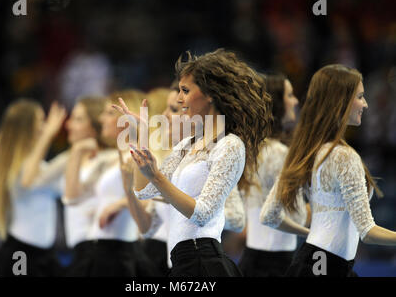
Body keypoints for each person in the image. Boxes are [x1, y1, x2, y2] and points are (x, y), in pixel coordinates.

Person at [114, 49, 272, 277]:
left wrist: (156, 176)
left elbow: (203, 213)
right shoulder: (187, 145)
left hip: (203, 261)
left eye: (185, 91)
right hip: (182, 261)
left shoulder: (230, 145)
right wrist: (142, 135)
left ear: (210, 93)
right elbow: (144, 191)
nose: (179, 98)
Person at [260, 64, 396, 277]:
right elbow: (367, 231)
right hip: (325, 265)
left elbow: (269, 216)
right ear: (340, 101)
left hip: (319, 260)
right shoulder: (343, 155)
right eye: (360, 97)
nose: (366, 104)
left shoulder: (308, 149)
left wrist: (312, 233)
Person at [63, 90, 156, 276]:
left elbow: (148, 203)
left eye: (109, 113)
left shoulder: (138, 158)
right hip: (99, 250)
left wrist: (119, 204)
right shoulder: (113, 159)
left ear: (126, 120)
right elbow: (71, 198)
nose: (101, 119)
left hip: (117, 252)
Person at [238, 74, 309, 277]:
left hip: (252, 258)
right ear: (276, 104)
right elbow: (296, 216)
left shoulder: (251, 150)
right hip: (276, 262)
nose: (295, 101)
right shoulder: (278, 153)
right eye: (289, 95)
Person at [0, 99, 67, 276]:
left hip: (45, 253)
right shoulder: (14, 167)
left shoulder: (40, 166)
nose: (44, 126)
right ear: (27, 127)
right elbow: (28, 180)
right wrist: (50, 137)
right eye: (41, 120)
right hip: (21, 252)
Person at [59, 96, 119, 276]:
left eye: (77, 119)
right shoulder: (69, 158)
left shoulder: (109, 158)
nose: (68, 124)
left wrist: (77, 152)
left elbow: (71, 198)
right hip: (79, 247)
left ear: (94, 125)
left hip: (95, 245)